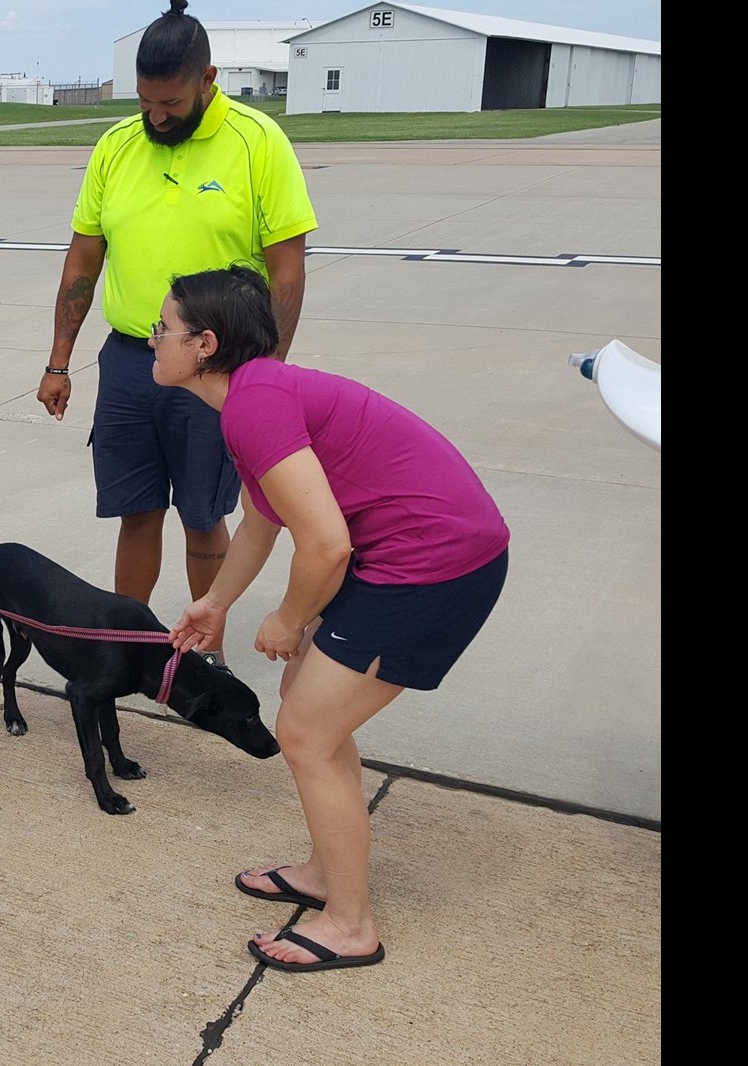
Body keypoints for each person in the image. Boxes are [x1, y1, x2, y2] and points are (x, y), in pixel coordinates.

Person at [159, 265, 510, 973]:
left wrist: (291, 618)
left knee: (307, 732)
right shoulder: (251, 398)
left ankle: (351, 925)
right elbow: (262, 523)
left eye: (162, 329)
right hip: (404, 555)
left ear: (204, 344)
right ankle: (326, 874)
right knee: (306, 712)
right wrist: (216, 602)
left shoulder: (254, 407)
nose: (151, 339)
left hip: (434, 565)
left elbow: (325, 543)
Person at [40, 0, 317, 669]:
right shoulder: (116, 145)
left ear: (207, 80)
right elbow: (84, 258)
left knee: (202, 513)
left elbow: (287, 271)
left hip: (218, 373)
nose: (155, 116)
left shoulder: (257, 142)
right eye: (145, 101)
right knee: (136, 512)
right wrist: (58, 361)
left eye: (169, 102)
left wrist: (267, 377)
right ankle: (125, 649)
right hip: (132, 361)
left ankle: (204, 657)